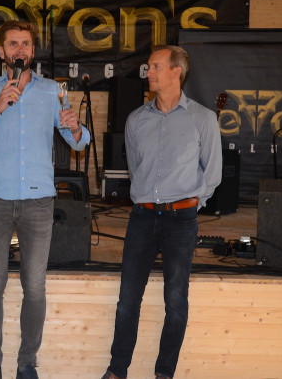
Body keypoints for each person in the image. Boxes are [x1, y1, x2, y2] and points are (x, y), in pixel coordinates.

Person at [0, 20, 90, 379]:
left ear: (33, 50)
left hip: (38, 201)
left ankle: (27, 363)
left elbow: (79, 142)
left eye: (26, 44)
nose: (20, 50)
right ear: (1, 51)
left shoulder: (52, 91)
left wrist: (74, 126)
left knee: (34, 285)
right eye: (13, 44)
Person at [101, 45, 222, 379]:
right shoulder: (136, 120)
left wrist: (190, 207)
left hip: (181, 221)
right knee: (127, 300)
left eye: (155, 66)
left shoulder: (202, 119)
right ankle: (117, 371)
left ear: (176, 71)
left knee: (176, 301)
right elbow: (136, 169)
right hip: (142, 217)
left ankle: (164, 373)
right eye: (148, 66)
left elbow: (212, 175)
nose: (148, 72)